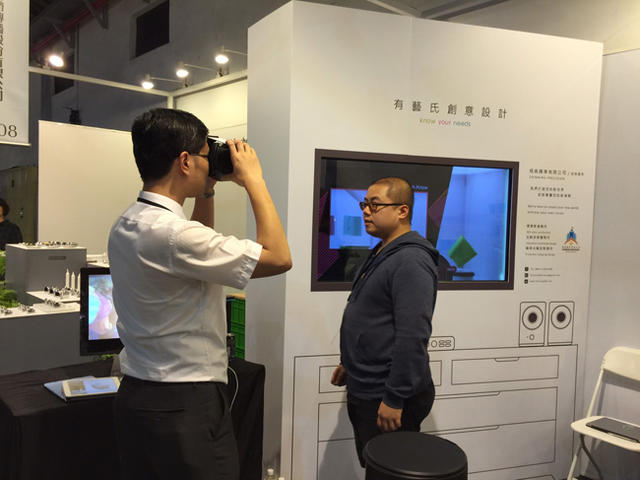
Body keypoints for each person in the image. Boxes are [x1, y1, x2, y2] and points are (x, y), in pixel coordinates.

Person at [108, 108, 291, 480]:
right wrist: (254, 180)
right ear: (185, 161)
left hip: (139, 396)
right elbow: (278, 257)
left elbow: (192, 250)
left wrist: (207, 190)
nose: (212, 164)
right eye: (207, 156)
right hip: (184, 405)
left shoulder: (129, 222)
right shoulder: (174, 236)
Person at [330, 177, 438, 467]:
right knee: (375, 466)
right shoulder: (382, 252)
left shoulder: (411, 260)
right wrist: (349, 363)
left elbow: (412, 335)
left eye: (375, 205)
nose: (366, 211)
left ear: (402, 211)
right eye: (365, 204)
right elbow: (372, 317)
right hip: (365, 384)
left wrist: (394, 398)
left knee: (391, 469)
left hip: (385, 393)